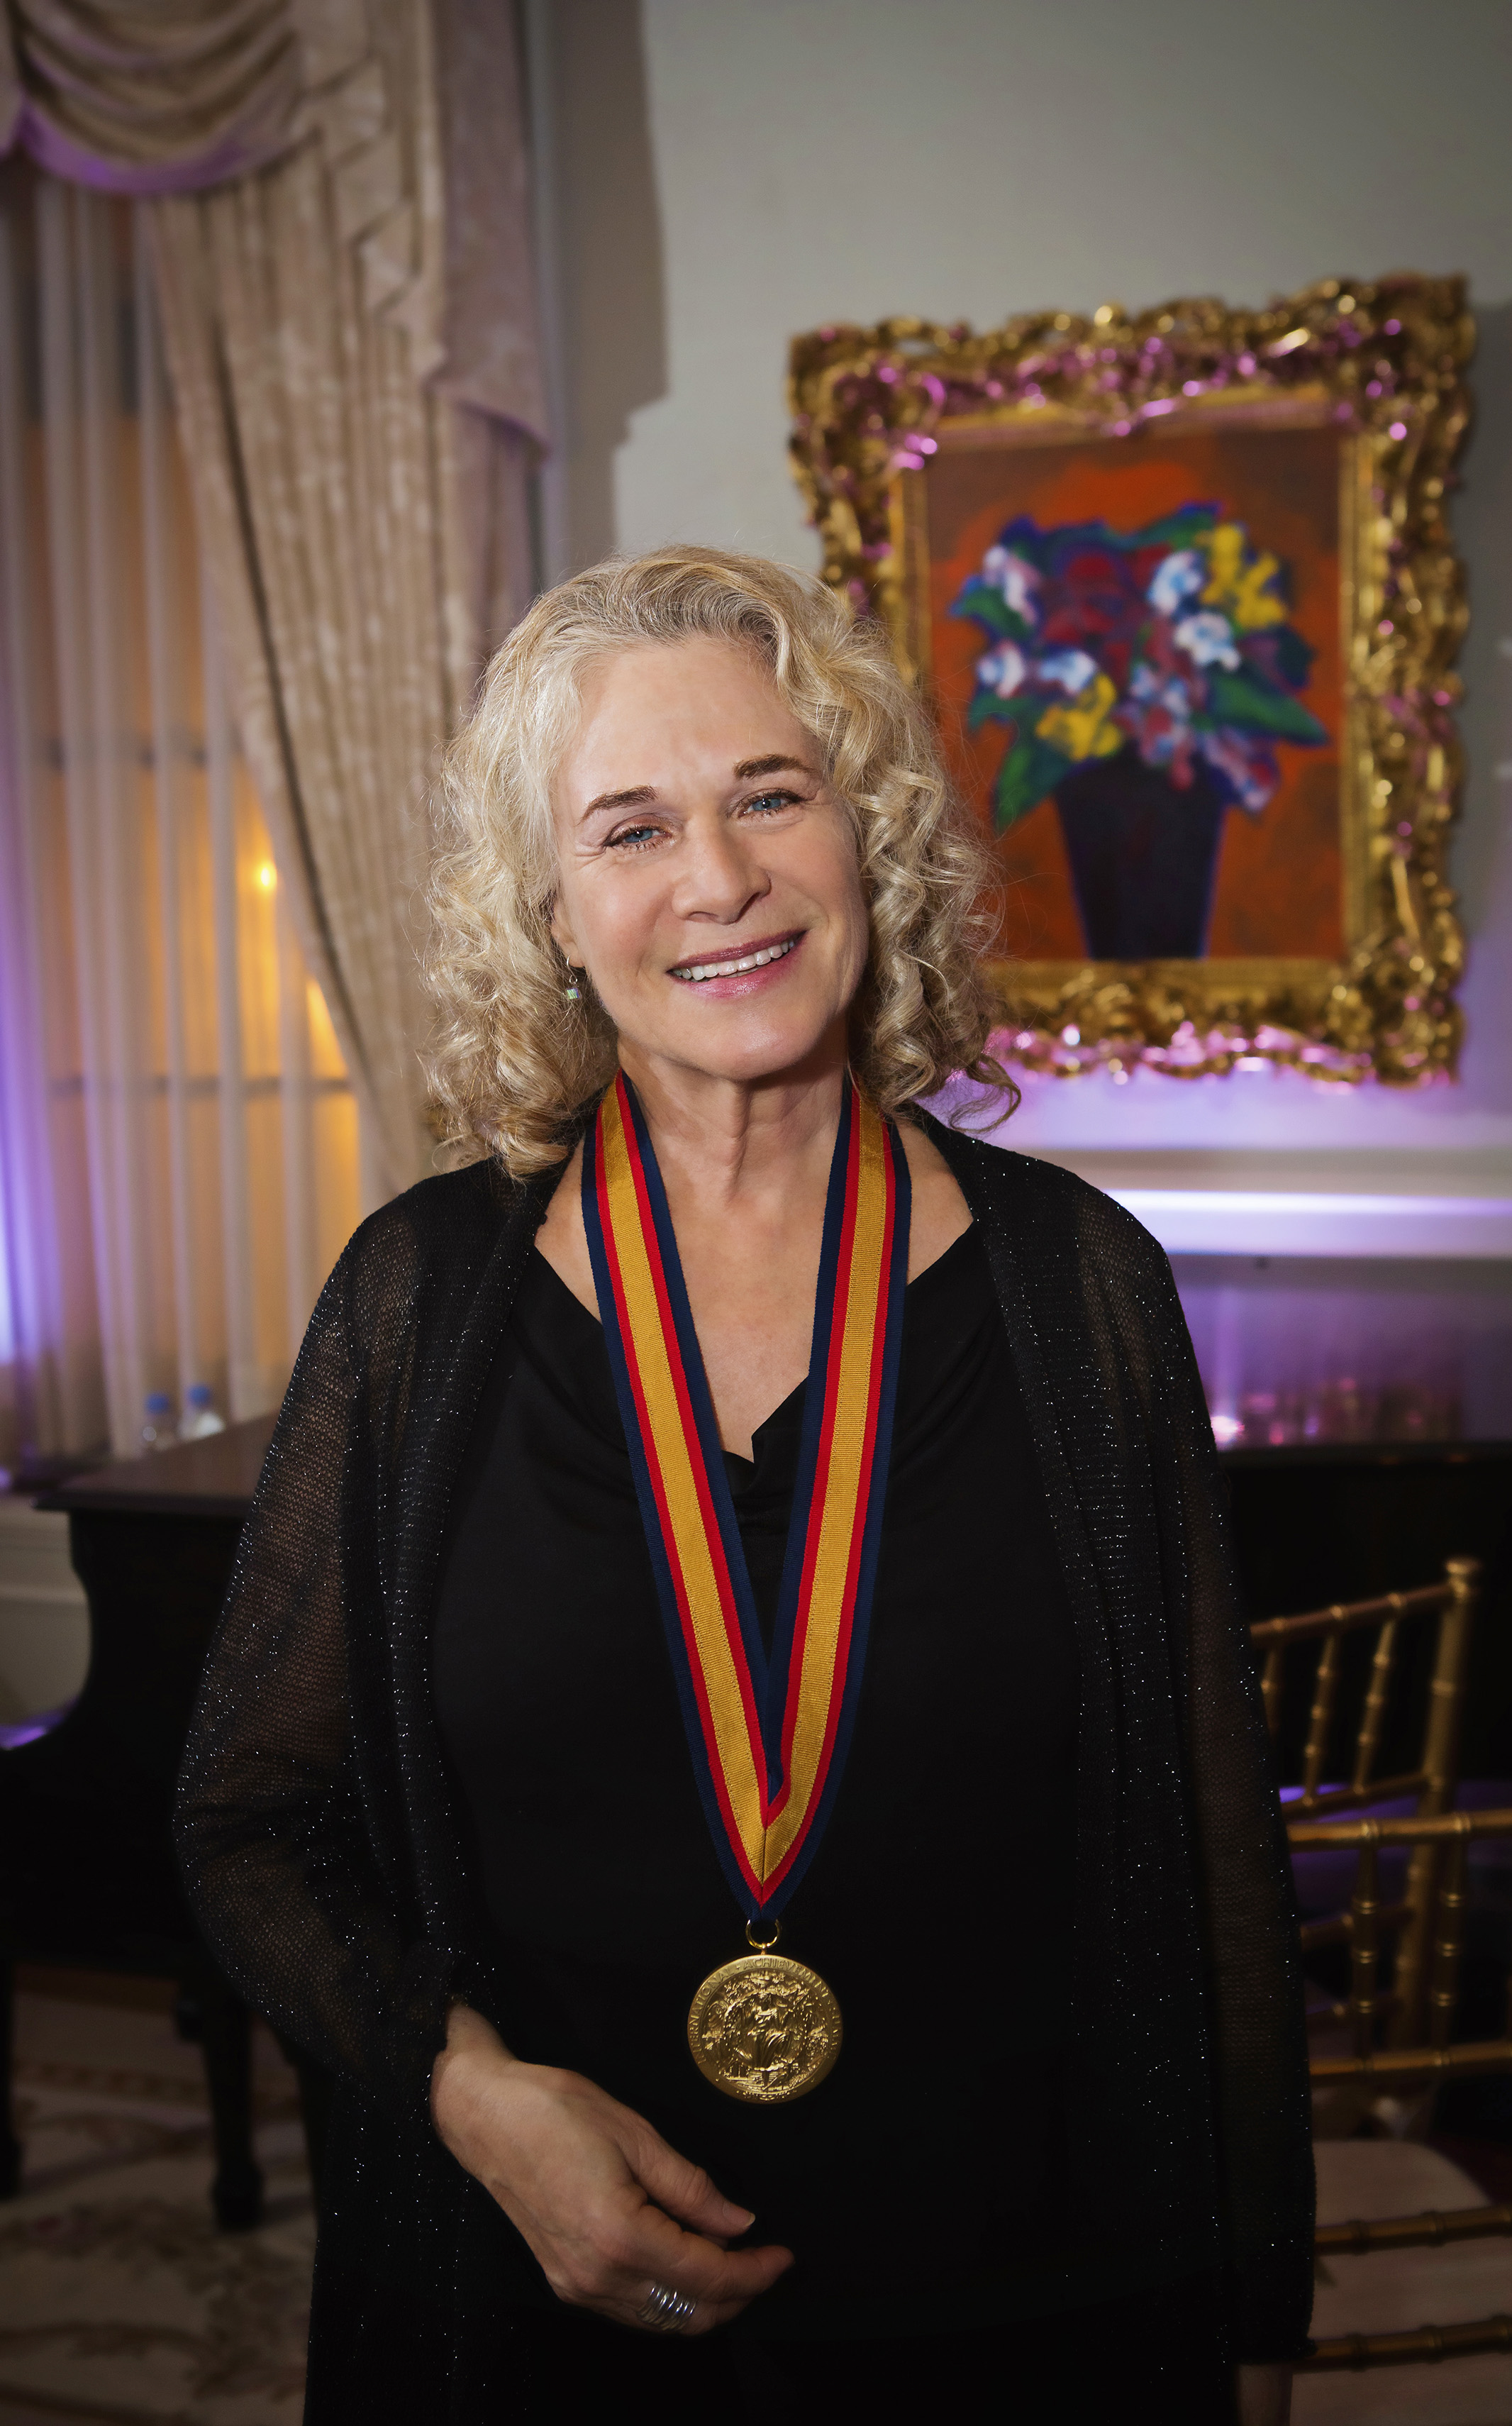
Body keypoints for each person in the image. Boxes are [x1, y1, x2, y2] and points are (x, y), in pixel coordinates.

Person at [174, 547, 1312, 2422]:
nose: (719, 880)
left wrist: (1257, 2322)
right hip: (538, 2328)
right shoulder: (416, 1302)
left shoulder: (1078, 1284)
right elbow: (245, 1820)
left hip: (1026, 2316)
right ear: (550, 908)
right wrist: (474, 2096)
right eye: (630, 826)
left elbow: (1209, 1850)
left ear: (867, 835)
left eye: (770, 792)